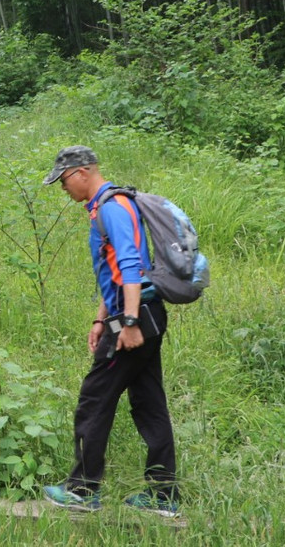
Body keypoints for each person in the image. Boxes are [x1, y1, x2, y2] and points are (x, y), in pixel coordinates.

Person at [39, 146, 180, 519]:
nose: (63, 189)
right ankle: (164, 495)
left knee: (94, 397)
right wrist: (101, 318)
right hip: (137, 312)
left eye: (64, 180)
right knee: (149, 402)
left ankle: (83, 489)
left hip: (135, 318)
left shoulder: (113, 209)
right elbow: (115, 271)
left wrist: (128, 324)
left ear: (83, 172)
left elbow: (132, 265)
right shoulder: (108, 206)